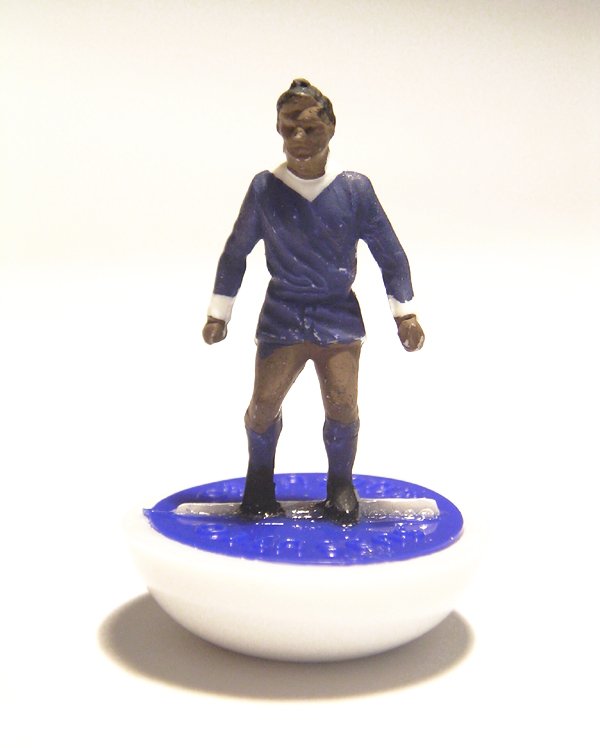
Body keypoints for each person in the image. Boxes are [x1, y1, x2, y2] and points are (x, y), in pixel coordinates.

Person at [203, 79, 424, 524]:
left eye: (311, 129)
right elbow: (236, 252)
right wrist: (219, 313)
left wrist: (405, 314)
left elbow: (390, 253)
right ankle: (259, 484)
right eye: (289, 129)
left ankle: (340, 487)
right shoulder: (265, 189)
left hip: (336, 315)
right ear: (278, 130)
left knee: (342, 405)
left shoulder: (355, 190)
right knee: (262, 407)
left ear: (331, 129)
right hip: (282, 314)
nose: (299, 139)